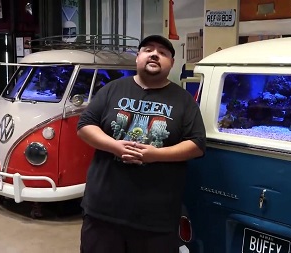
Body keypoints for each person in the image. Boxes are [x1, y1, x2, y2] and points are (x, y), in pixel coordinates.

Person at [76, 34, 206, 253]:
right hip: (103, 212)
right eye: (148, 50)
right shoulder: (112, 89)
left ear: (171, 64)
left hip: (156, 218)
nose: (155, 54)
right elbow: (85, 126)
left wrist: (155, 155)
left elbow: (197, 144)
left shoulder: (183, 100)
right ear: (138, 58)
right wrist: (114, 146)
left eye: (163, 53)